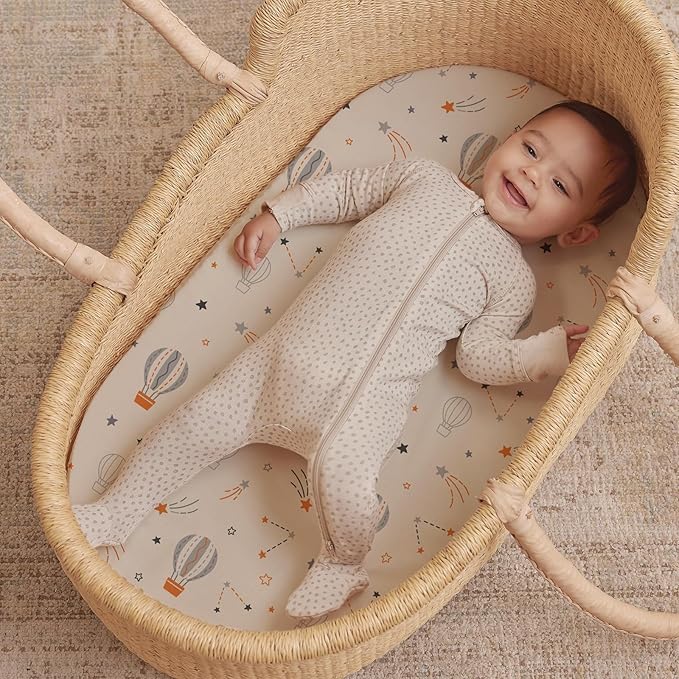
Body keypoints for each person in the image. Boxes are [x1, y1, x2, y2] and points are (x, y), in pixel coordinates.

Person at [72, 100, 638, 619]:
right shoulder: (423, 179)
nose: (532, 174)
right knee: (195, 423)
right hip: (278, 362)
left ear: (575, 234)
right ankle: (118, 510)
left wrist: (547, 352)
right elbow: (346, 192)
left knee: (346, 486)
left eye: (559, 183)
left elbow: (479, 358)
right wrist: (280, 215)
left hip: (364, 407)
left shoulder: (513, 282)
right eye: (531, 149)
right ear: (509, 137)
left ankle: (342, 563)